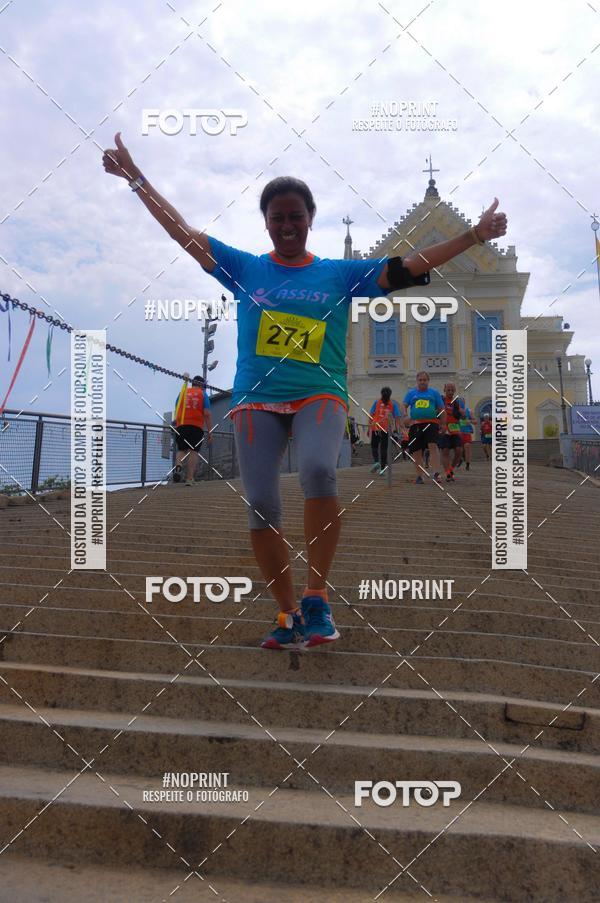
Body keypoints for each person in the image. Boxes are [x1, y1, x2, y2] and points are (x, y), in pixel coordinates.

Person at [102, 132, 507, 650]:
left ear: (310, 218)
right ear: (266, 224)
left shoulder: (338, 274)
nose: (287, 225)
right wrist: (137, 180)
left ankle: (317, 596)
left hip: (319, 392)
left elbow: (410, 265)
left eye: (296, 216)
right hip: (256, 399)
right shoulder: (246, 268)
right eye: (277, 218)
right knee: (262, 505)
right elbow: (182, 232)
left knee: (318, 469)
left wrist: (473, 235)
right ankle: (288, 611)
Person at [402, 372, 446, 484]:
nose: (422, 382)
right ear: (417, 381)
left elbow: (441, 408)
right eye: (420, 380)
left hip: (431, 423)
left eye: (425, 380)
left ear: (428, 380)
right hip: (415, 425)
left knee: (433, 446)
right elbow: (404, 405)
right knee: (416, 451)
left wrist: (443, 423)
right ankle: (419, 476)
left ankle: (436, 473)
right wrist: (405, 415)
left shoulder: (434, 393)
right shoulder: (411, 393)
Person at [172, 373, 212, 485]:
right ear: (202, 385)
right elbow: (207, 414)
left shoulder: (182, 393)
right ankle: (189, 479)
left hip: (181, 425)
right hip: (196, 426)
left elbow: (177, 407)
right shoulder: (203, 394)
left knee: (181, 450)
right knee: (193, 451)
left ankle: (179, 466)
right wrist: (210, 431)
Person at [368, 386, 400, 475]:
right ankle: (382, 468)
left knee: (374, 445)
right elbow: (397, 417)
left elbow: (371, 415)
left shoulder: (376, 402)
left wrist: (369, 427)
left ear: (381, 394)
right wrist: (398, 429)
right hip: (386, 429)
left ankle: (376, 461)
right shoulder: (393, 404)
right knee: (384, 448)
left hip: (376, 427)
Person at [438, 383, 466, 482]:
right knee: (445, 452)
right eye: (448, 390)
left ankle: (451, 469)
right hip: (444, 429)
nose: (450, 392)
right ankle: (448, 473)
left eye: (452, 390)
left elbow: (463, 416)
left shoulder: (457, 402)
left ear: (454, 391)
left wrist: (463, 413)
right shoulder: (440, 400)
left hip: (455, 429)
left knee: (459, 451)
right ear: (444, 390)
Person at [459, 405, 477, 470]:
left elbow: (475, 422)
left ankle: (467, 464)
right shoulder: (454, 411)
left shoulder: (469, 411)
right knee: (459, 449)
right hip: (458, 433)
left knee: (467, 446)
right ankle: (460, 458)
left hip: (466, 432)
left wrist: (470, 421)